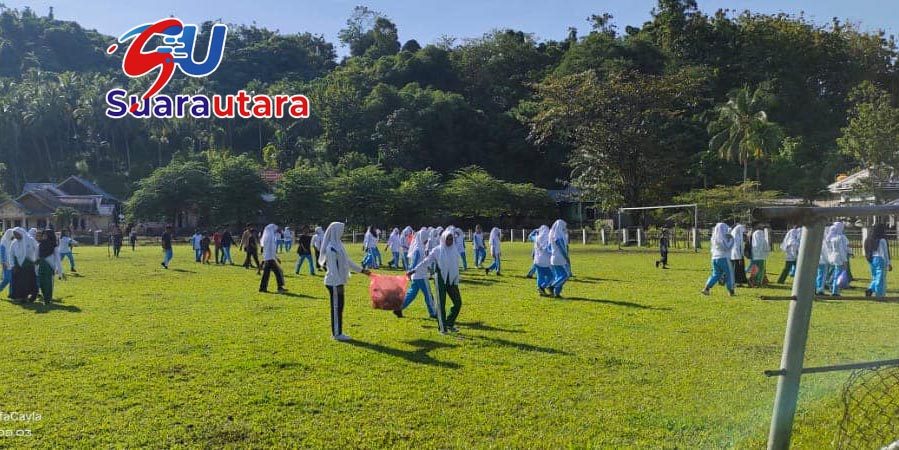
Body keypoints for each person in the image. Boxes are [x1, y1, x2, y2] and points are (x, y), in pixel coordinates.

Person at [319, 222, 370, 342]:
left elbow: (348, 261)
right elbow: (333, 269)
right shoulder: (331, 248)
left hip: (338, 282)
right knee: (336, 307)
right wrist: (339, 283)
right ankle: (336, 334)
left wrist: (362, 270)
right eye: (341, 230)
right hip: (334, 282)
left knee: (339, 307)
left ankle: (338, 331)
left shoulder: (338, 245)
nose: (342, 232)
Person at [410, 227, 463, 334]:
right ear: (443, 239)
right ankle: (442, 328)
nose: (449, 241)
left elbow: (456, 265)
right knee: (441, 304)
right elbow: (426, 261)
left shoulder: (454, 250)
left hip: (451, 280)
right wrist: (414, 270)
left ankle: (449, 322)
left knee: (458, 302)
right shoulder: (437, 250)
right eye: (447, 239)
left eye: (451, 239)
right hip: (440, 280)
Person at [401, 228, 437, 319]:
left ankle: (399, 307)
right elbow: (414, 263)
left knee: (411, 294)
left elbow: (422, 262)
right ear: (421, 238)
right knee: (428, 295)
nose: (426, 242)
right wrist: (410, 272)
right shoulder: (418, 249)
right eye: (425, 240)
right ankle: (432, 312)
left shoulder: (420, 248)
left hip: (417, 276)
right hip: (421, 276)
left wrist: (429, 269)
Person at [701, 223, 736, 297]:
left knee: (715, 274)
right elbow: (727, 247)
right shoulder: (723, 238)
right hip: (724, 258)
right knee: (729, 274)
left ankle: (706, 288)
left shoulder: (713, 238)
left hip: (714, 258)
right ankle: (731, 291)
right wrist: (732, 239)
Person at [9, 228, 38, 302]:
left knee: (30, 282)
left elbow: (37, 249)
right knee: (20, 283)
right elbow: (11, 254)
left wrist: (36, 259)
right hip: (18, 265)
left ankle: (33, 296)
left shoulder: (30, 240)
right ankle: (22, 297)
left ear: (21, 233)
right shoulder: (14, 243)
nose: (15, 236)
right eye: (14, 234)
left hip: (29, 265)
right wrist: (13, 265)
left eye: (16, 234)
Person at [865, 223, 891, 298]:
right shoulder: (882, 240)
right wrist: (888, 263)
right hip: (880, 259)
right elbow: (884, 253)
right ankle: (879, 294)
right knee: (880, 278)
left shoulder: (869, 239)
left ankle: (870, 289)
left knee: (875, 277)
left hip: (872, 259)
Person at [824, 222, 850, 297]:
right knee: (838, 274)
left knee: (834, 272)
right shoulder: (840, 238)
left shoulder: (830, 238)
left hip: (833, 256)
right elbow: (842, 250)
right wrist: (845, 260)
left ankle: (830, 285)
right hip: (839, 257)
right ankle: (835, 291)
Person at [259, 224, 287, 293]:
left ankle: (262, 288)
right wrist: (275, 258)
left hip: (268, 258)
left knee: (266, 274)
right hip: (270, 259)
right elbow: (271, 249)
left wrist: (276, 258)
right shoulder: (270, 237)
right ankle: (279, 288)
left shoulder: (267, 237)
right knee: (278, 273)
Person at [36, 229, 61, 304]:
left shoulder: (54, 246)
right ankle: (45, 297)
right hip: (41, 266)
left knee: (48, 284)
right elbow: (36, 257)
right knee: (41, 282)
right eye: (43, 235)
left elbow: (58, 259)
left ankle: (47, 299)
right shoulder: (39, 245)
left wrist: (60, 272)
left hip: (50, 267)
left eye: (45, 235)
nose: (44, 236)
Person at [548, 220, 571, 297]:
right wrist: (567, 258)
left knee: (559, 276)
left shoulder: (553, 236)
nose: (565, 228)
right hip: (559, 258)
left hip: (554, 258)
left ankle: (556, 293)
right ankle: (552, 286)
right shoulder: (559, 237)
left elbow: (549, 248)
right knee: (565, 275)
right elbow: (562, 249)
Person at [533, 225, 553, 296]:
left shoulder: (536, 238)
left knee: (540, 276)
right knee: (551, 276)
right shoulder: (548, 239)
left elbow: (530, 236)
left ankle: (540, 290)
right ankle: (543, 287)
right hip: (545, 261)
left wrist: (535, 231)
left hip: (537, 260)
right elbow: (549, 250)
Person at [0, 229, 13, 297]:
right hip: (6, 263)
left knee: (12, 280)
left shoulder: (11, 241)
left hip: (12, 263)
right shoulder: (3, 243)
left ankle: (11, 294)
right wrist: (3, 263)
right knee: (7, 279)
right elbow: (1, 255)